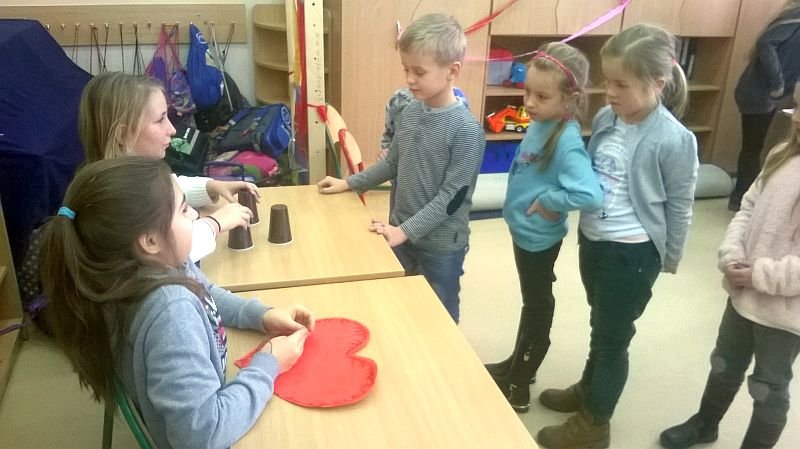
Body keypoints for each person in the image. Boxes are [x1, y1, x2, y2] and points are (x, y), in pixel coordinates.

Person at [38, 156, 313, 449]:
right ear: (150, 241)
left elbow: (204, 290)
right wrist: (268, 364)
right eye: (183, 210)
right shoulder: (171, 315)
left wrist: (259, 315)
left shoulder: (146, 266)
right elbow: (203, 435)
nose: (194, 215)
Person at [534, 24, 699, 449]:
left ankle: (595, 424)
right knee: (601, 324)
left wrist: (668, 258)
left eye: (621, 84)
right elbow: (592, 178)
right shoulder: (608, 118)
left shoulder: (674, 139)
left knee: (612, 339)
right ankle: (589, 391)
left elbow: (680, 204)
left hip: (633, 253)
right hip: (596, 241)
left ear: (657, 83)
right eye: (607, 81)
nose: (609, 93)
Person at [316, 13, 485, 323]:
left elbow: (452, 199)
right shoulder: (409, 112)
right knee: (402, 307)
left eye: (419, 72)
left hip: (440, 246)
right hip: (400, 232)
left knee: (439, 314)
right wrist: (350, 183)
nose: (409, 79)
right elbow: (392, 163)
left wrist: (403, 232)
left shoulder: (466, 131)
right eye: (406, 69)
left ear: (452, 71)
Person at [659, 83, 800, 449]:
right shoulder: (782, 155)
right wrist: (732, 255)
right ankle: (705, 424)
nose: (797, 118)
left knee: (768, 387)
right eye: (798, 107)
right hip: (742, 294)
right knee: (724, 364)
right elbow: (748, 207)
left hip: (784, 314)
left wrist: (759, 275)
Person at [483, 42, 603, 414]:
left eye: (542, 96)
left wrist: (550, 200)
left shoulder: (566, 141)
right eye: (527, 93)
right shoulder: (543, 122)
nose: (530, 103)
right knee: (531, 302)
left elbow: (590, 194)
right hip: (525, 233)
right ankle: (518, 364)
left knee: (538, 307)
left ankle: (519, 384)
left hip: (539, 240)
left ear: (570, 99)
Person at [78, 71, 258, 261]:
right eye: (160, 120)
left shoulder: (129, 176)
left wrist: (211, 186)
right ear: (123, 134)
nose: (172, 130)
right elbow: (168, 253)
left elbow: (169, 188)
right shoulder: (118, 200)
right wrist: (215, 224)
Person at [729, 0, 800, 212]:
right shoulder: (796, 15)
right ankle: (742, 200)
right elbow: (766, 43)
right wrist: (777, 84)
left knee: (759, 148)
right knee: (753, 148)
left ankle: (747, 199)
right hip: (759, 93)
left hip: (774, 96)